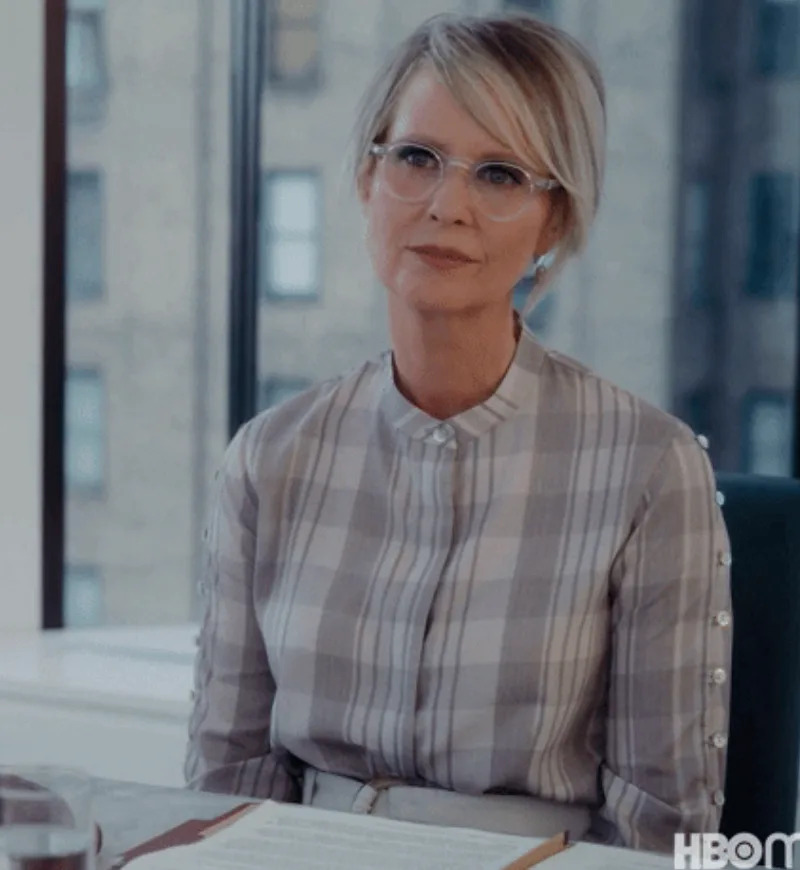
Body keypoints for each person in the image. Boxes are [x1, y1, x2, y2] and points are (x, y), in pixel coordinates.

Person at [185, 12, 732, 853]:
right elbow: (227, 782)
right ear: (368, 179)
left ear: (555, 223)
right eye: (415, 158)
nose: (447, 206)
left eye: (502, 175)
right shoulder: (270, 456)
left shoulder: (649, 469)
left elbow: (663, 829)